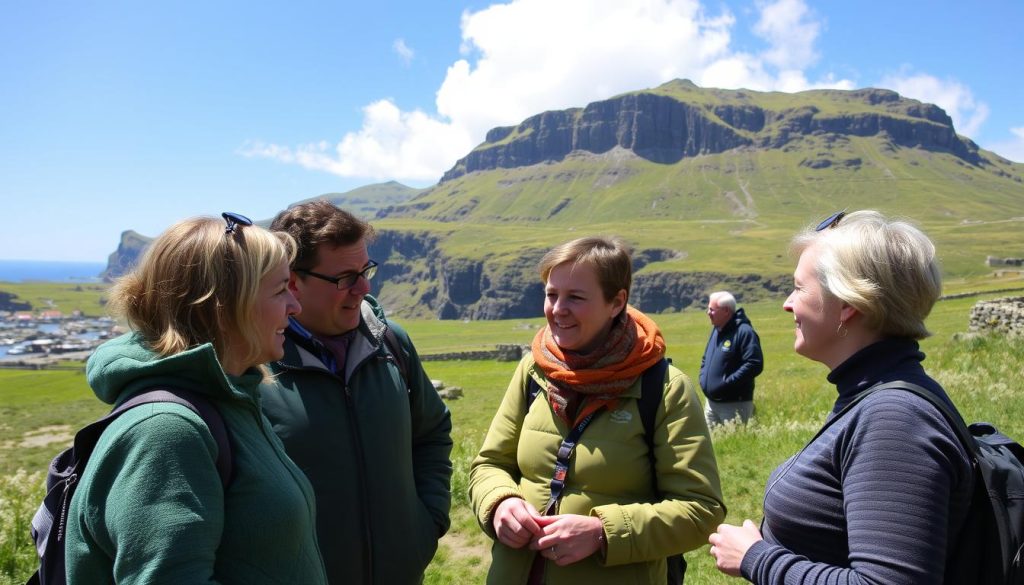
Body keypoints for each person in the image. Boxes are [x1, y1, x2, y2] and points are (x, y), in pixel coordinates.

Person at [709, 210, 974, 584]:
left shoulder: (893, 419)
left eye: (800, 288)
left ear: (849, 304)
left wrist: (756, 558)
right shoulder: (874, 395)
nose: (788, 303)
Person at [66, 213, 328, 583]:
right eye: (279, 290)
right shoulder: (166, 432)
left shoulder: (231, 400)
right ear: (222, 307)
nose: (295, 307)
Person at [469, 236, 726, 585]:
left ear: (616, 302)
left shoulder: (664, 388)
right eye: (551, 294)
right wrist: (499, 502)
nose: (558, 309)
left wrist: (602, 533)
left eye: (575, 297)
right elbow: (489, 465)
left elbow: (701, 510)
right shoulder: (533, 370)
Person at [262, 200, 453, 585]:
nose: (364, 288)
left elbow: (431, 433)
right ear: (293, 281)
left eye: (366, 271)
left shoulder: (392, 342)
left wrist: (427, 521)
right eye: (346, 278)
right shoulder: (254, 365)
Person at [699, 291, 764, 426]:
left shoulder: (744, 332)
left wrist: (727, 384)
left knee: (734, 443)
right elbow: (706, 357)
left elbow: (754, 364)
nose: (708, 313)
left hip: (734, 406)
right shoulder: (717, 330)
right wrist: (703, 376)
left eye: (712, 309)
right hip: (711, 404)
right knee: (713, 445)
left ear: (726, 311)